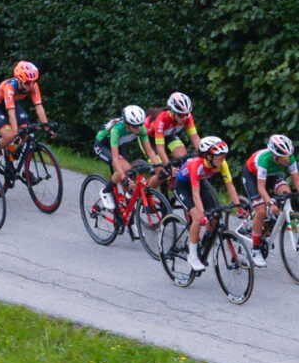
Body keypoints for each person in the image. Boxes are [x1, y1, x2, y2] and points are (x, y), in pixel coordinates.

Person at [173, 136, 246, 272]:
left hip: (199, 184)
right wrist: (202, 215)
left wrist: (239, 207)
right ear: (207, 156)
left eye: (223, 156)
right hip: (183, 186)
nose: (222, 160)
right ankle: (193, 255)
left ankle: (204, 241)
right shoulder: (197, 165)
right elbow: (195, 193)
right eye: (219, 157)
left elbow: (230, 187)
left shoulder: (222, 164)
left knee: (215, 214)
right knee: (197, 218)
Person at [240, 135, 299, 268]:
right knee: (260, 210)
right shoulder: (264, 160)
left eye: (289, 156)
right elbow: (261, 187)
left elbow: (296, 180)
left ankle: (272, 220)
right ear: (275, 156)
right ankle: (255, 250)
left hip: (271, 175)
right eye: (284, 158)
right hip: (252, 177)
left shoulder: (289, 158)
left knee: (286, 193)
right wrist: (270, 203)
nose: (287, 160)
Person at [92, 104, 159, 210]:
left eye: (140, 125)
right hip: (103, 145)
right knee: (125, 168)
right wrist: (123, 177)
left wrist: (159, 167)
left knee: (129, 182)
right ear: (126, 124)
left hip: (120, 143)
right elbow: (115, 158)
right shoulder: (117, 130)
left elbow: (150, 151)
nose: (138, 128)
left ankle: (126, 212)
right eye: (134, 126)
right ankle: (106, 191)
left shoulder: (141, 128)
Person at [0, 60, 52, 149]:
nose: (31, 85)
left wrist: (47, 128)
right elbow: (11, 113)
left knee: (27, 132)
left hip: (11, 103)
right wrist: (16, 133)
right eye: (27, 82)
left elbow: (39, 107)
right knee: (10, 135)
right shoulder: (10, 87)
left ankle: (15, 154)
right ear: (19, 80)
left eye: (33, 81)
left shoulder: (33, 86)